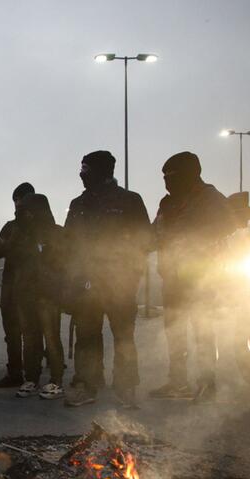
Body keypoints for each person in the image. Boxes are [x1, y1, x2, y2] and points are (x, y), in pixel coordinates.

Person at [63, 151, 152, 408]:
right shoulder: (78, 204)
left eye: (86, 169)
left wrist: (129, 272)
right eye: (81, 168)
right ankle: (88, 385)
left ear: (103, 171)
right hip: (86, 284)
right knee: (87, 336)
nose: (82, 174)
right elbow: (68, 245)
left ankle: (126, 388)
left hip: (119, 283)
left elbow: (144, 239)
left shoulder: (129, 201)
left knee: (123, 336)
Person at [150, 152, 235, 403]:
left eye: (172, 176)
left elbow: (228, 225)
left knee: (203, 331)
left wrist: (191, 238)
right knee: (174, 333)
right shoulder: (168, 203)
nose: (167, 181)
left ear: (189, 174)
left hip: (201, 278)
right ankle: (177, 382)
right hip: (172, 277)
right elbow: (155, 232)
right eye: (164, 177)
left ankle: (207, 383)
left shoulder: (209, 197)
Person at [5, 193, 67, 400]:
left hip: (47, 294)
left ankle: (56, 381)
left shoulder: (56, 233)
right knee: (30, 339)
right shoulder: (20, 233)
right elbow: (8, 253)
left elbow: (62, 262)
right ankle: (31, 378)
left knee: (51, 337)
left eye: (29, 210)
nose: (26, 214)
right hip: (25, 292)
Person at [0, 182, 36, 389]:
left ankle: (28, 373)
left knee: (28, 331)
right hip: (13, 285)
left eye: (20, 200)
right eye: (17, 200)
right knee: (13, 332)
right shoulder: (11, 226)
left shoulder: (39, 226)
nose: (18, 204)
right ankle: (18, 371)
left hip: (27, 286)